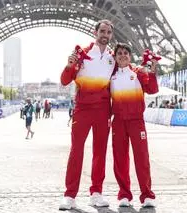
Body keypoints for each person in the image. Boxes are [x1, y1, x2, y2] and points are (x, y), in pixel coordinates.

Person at [59, 19, 115, 210]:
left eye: (108, 32)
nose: (105, 35)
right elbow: (65, 80)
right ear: (95, 31)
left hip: (102, 110)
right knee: (76, 150)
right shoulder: (81, 54)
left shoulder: (113, 57)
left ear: (111, 35)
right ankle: (70, 195)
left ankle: (96, 193)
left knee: (100, 152)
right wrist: (69, 65)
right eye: (102, 31)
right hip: (82, 109)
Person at [110, 43, 158, 208]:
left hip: (136, 121)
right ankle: (124, 194)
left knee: (141, 158)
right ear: (115, 58)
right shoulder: (111, 76)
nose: (122, 55)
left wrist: (151, 71)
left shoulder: (137, 73)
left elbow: (152, 89)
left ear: (130, 57)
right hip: (118, 122)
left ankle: (147, 195)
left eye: (125, 53)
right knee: (120, 159)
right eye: (119, 54)